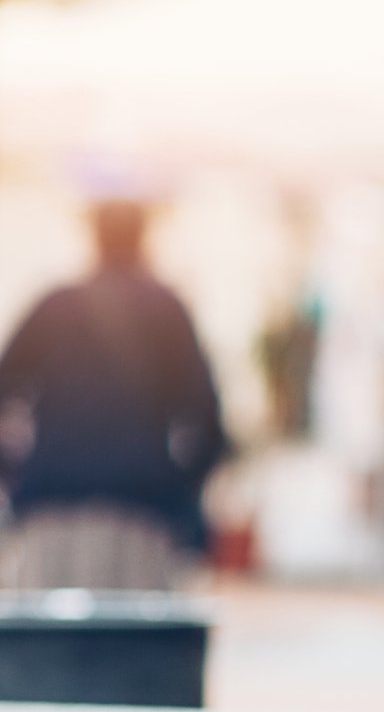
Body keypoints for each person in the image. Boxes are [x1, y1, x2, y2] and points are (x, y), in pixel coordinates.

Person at [0, 200, 225, 587]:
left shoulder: (55, 305)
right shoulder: (167, 310)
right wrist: (177, 484)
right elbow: (207, 422)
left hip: (53, 508)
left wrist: (20, 471)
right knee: (136, 640)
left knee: (50, 639)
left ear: (94, 238)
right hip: (142, 514)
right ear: (143, 237)